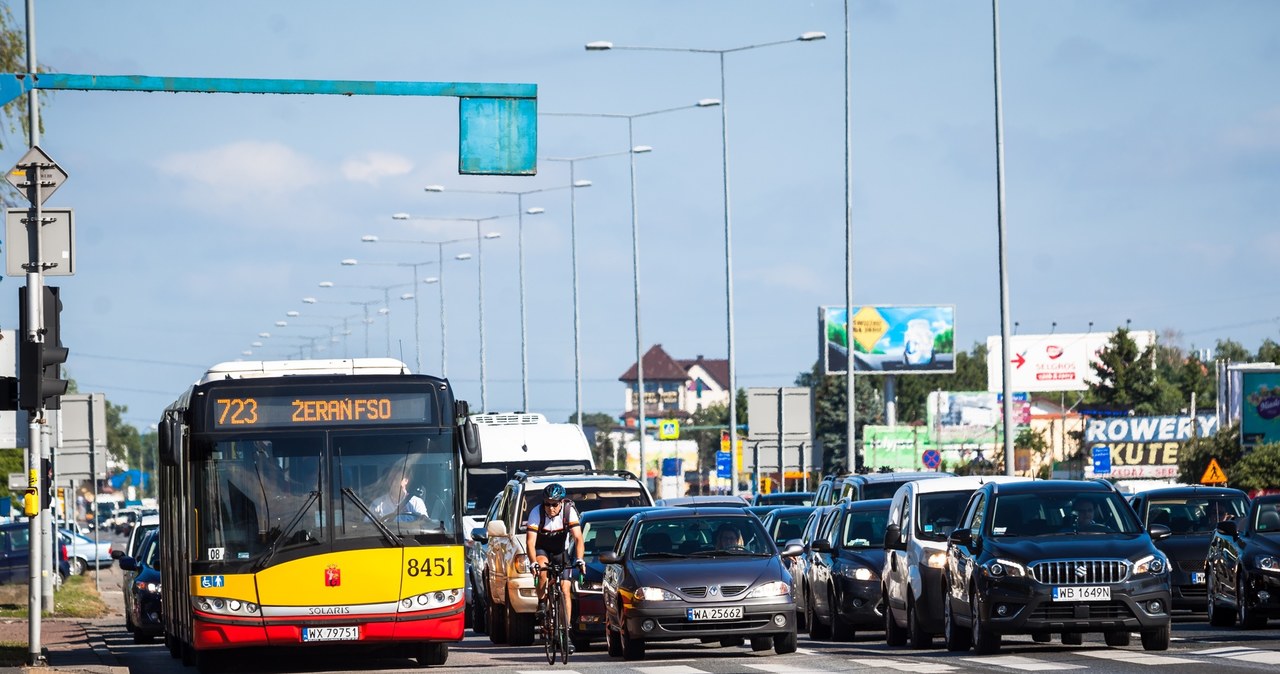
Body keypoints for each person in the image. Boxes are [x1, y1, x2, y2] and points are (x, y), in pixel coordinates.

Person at [525, 483, 585, 644]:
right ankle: (542, 602)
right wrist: (533, 563)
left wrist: (580, 559)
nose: (551, 508)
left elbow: (578, 538)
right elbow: (530, 542)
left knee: (565, 590)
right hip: (542, 549)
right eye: (547, 504)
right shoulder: (536, 513)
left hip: (560, 551)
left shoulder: (568, 511)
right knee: (542, 568)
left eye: (554, 504)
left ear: (561, 502)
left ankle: (565, 632)